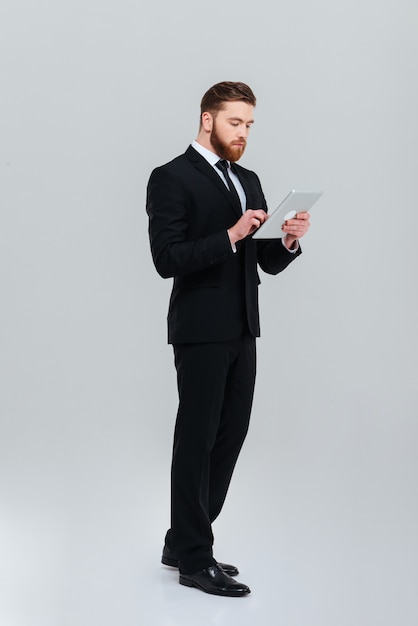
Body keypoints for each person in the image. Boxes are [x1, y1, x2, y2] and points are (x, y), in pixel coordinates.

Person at [146, 81, 310, 597]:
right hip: (198, 329)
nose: (243, 133)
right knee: (195, 439)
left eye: (249, 125)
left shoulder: (249, 178)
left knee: (230, 435)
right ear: (207, 119)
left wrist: (286, 239)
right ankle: (195, 558)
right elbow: (166, 259)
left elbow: (264, 262)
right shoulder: (170, 177)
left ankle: (182, 539)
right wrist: (232, 234)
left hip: (243, 326)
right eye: (235, 122)